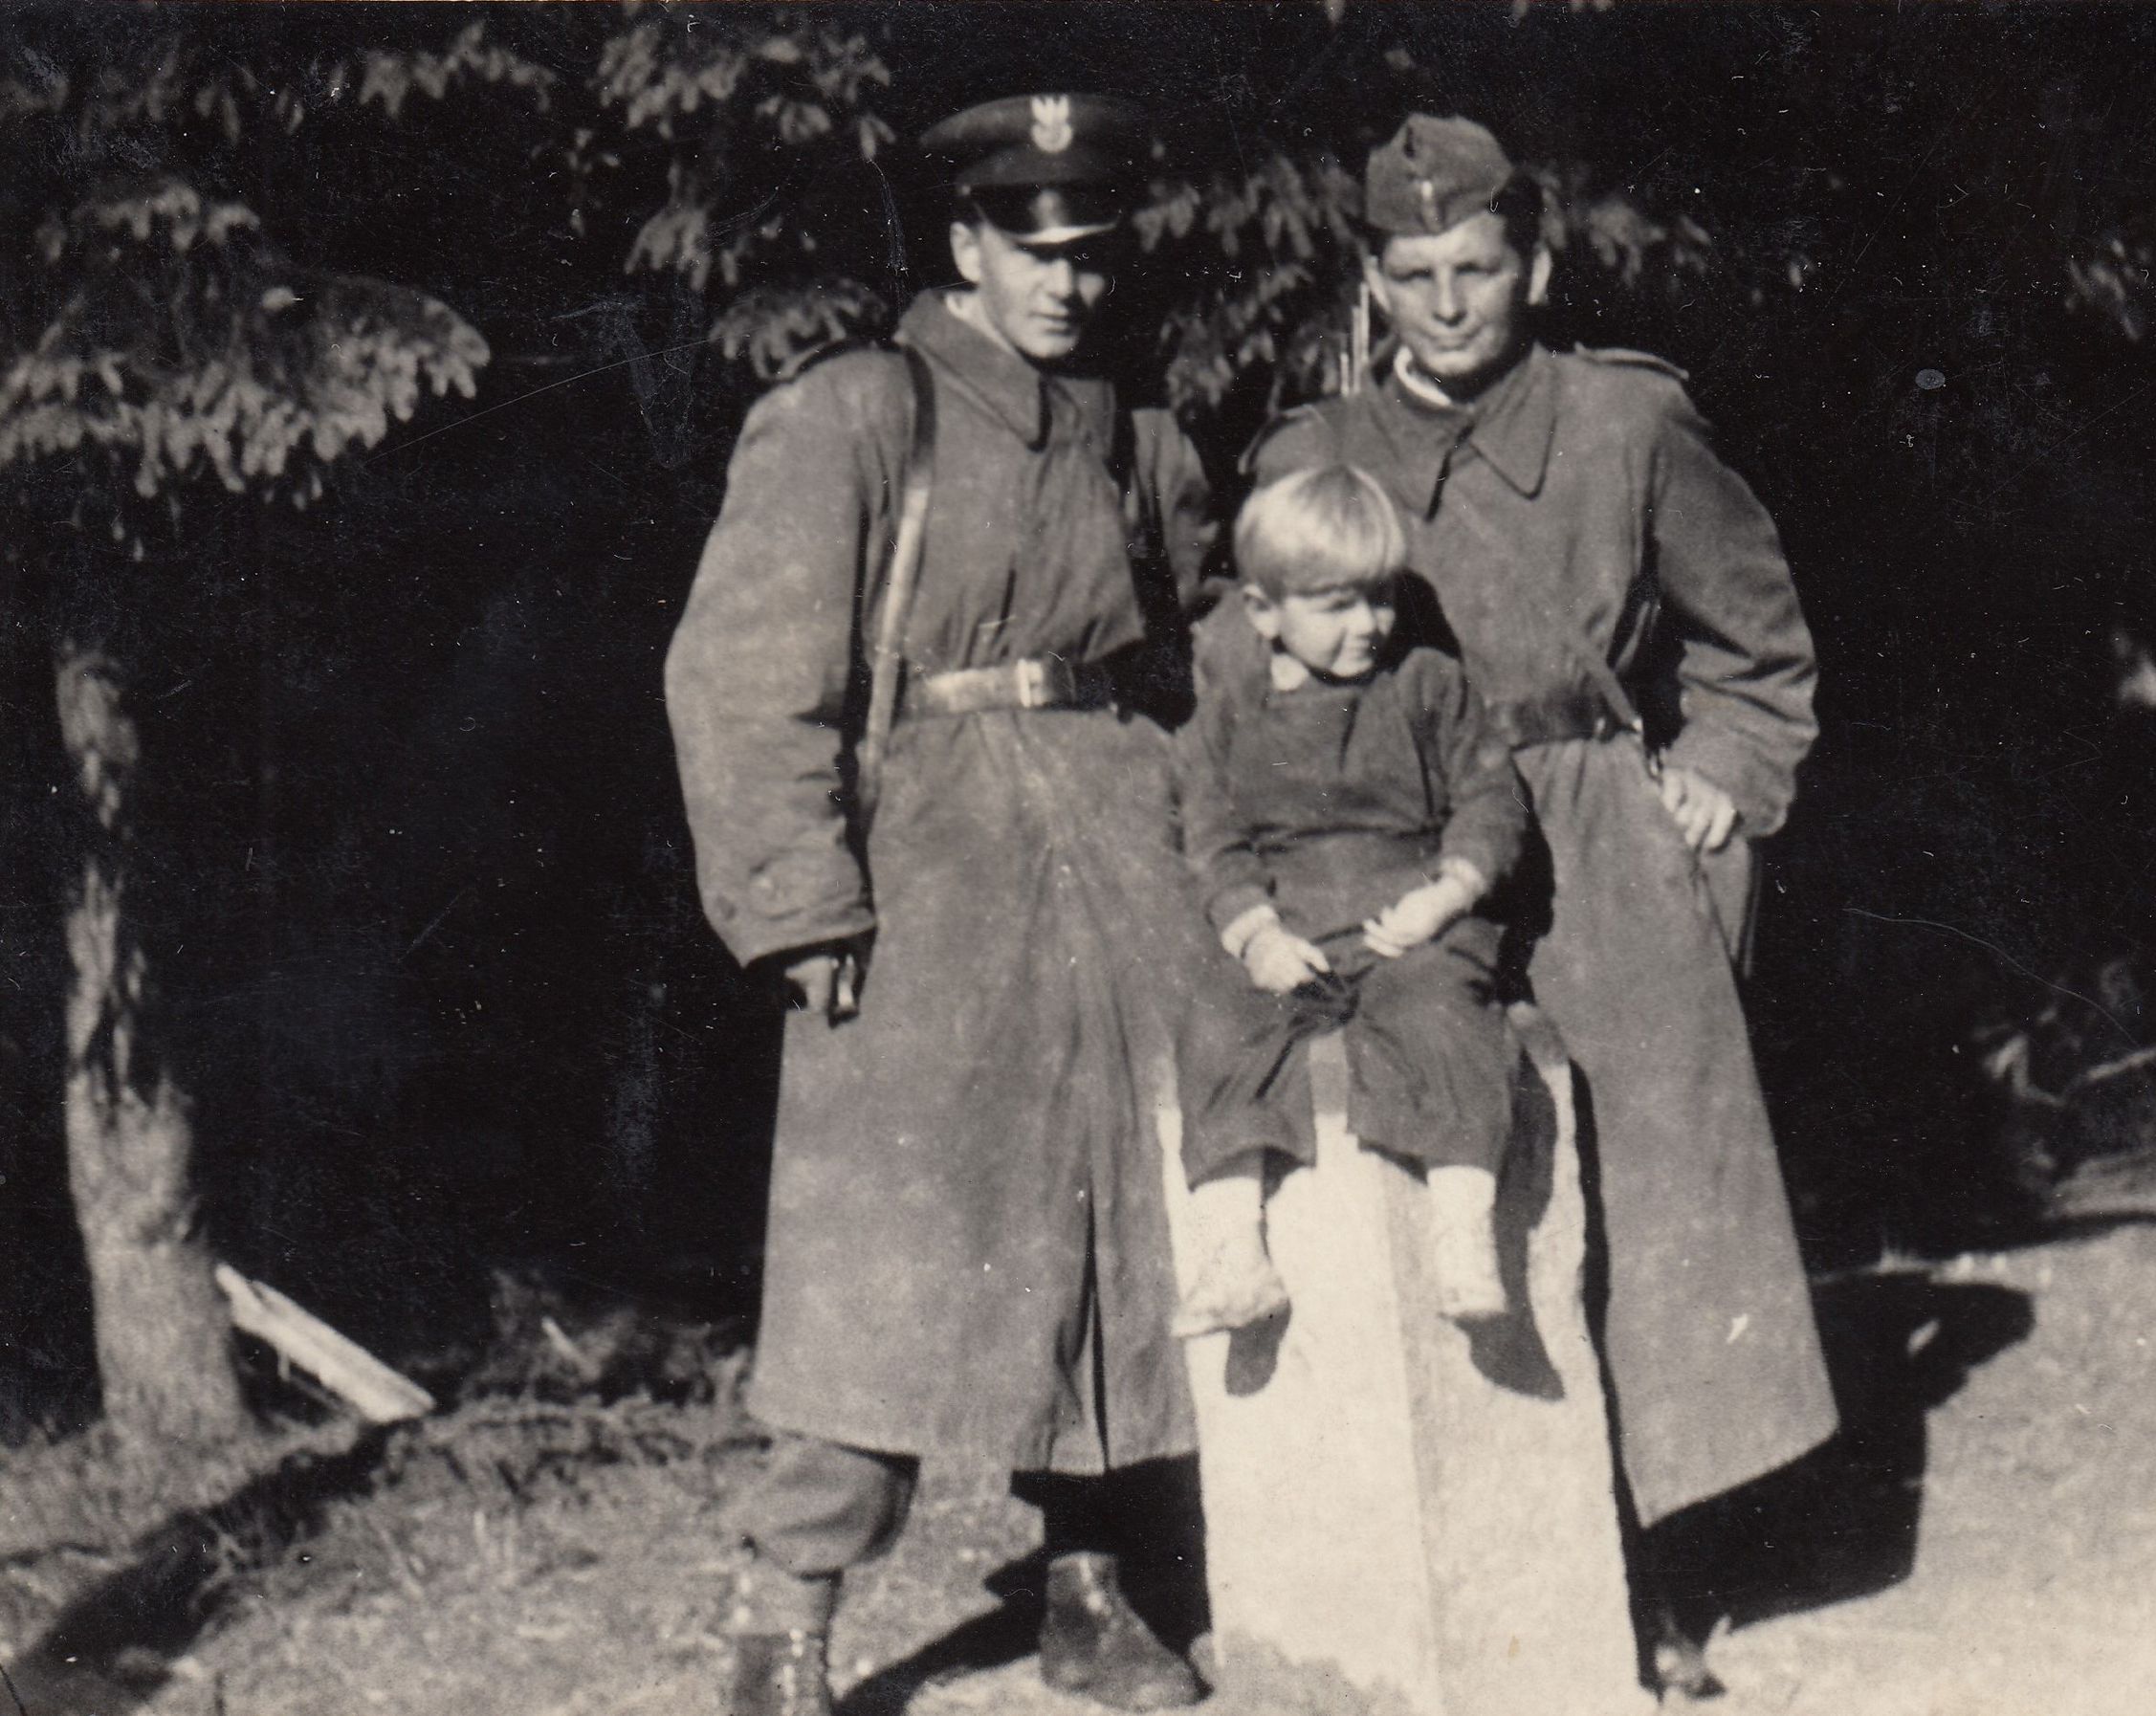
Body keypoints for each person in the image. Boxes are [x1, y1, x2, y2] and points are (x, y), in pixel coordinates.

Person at [1248, 113, 1840, 1694]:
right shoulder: (1317, 454)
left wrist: (1721, 774)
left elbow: (1756, 642)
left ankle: (1658, 1553)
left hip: (1592, 839)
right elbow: (1249, 668)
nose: (1448, 304)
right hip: (1397, 848)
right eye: (1415, 274)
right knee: (1445, 1174)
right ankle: (1472, 1547)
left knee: (1643, 1186)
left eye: (1478, 268)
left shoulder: (1625, 420)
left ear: (1536, 265)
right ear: (1374, 282)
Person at [664, 93, 1219, 1716]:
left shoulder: (1135, 430)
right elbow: (745, 671)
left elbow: (1204, 642)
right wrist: (800, 901)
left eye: (1091, 253)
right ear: (966, 245)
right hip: (927, 865)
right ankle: (786, 1620)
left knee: (1131, 1221)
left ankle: (1091, 1582)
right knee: (881, 1249)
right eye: (1031, 250)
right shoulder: (856, 411)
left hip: (1125, 849)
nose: (1066, 283)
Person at [1168, 464, 1527, 1336]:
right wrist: (1256, 936)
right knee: (1217, 1022)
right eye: (1337, 606)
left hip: (1410, 925)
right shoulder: (1228, 717)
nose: (1368, 625)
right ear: (1264, 611)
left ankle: (1464, 1232)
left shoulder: (1429, 687)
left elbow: (1490, 801)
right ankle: (1234, 1251)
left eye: (1381, 598)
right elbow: (1213, 838)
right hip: (1292, 930)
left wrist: (1450, 891)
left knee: (1443, 1015)